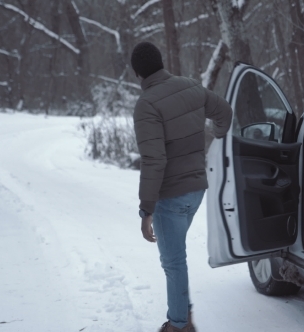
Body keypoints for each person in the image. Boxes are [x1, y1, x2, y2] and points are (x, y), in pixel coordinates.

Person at [131, 41, 233, 332]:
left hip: (170, 196)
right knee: (177, 258)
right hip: (196, 190)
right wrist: (216, 135)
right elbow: (224, 111)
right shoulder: (191, 87)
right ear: (161, 62)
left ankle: (178, 326)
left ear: (138, 74)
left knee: (174, 262)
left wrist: (145, 210)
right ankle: (182, 316)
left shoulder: (147, 104)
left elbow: (154, 161)